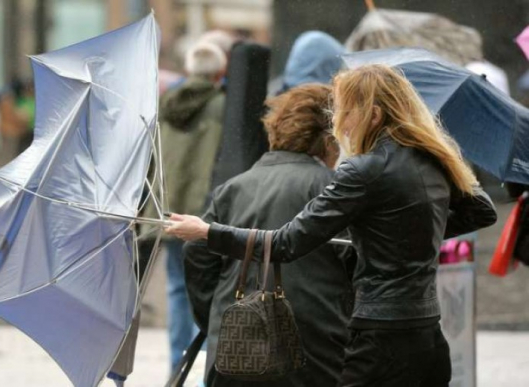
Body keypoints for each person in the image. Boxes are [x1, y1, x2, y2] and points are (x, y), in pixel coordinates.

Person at [166, 65, 498, 386]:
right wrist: (395, 234)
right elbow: (482, 210)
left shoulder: (363, 171)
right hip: (427, 332)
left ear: (375, 114)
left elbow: (286, 243)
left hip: (379, 336)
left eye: (345, 110)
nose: (339, 122)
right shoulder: (433, 159)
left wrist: (207, 232)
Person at [184, 83, 354, 387]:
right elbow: (357, 264)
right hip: (314, 346)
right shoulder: (335, 190)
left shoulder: (233, 188)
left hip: (234, 348)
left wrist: (220, 315)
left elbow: (198, 253)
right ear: (328, 140)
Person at [141, 41, 227, 372]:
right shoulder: (222, 105)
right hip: (204, 212)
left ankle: (178, 365)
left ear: (190, 70)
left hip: (168, 208)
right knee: (210, 288)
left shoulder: (167, 101)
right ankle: (205, 365)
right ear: (220, 72)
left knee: (178, 288)